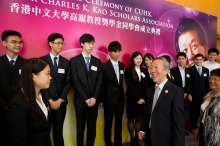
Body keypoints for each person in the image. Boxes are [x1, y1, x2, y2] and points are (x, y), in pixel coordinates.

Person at [138, 56, 185, 146]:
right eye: (151, 68)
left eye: (156, 67)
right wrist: (143, 129)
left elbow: (179, 122)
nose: (152, 71)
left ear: (166, 71)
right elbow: (148, 112)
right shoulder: (151, 90)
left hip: (165, 139)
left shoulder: (176, 91)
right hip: (150, 136)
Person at [4, 58, 52, 146]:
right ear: (32, 76)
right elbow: (18, 140)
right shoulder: (18, 103)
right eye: (47, 74)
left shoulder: (42, 96)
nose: (50, 77)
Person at [70, 33, 102, 146]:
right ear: (82, 44)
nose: (91, 46)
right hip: (80, 100)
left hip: (94, 100)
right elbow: (75, 81)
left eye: (92, 43)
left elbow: (99, 81)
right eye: (88, 43)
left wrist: (94, 97)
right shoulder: (74, 61)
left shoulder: (97, 62)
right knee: (80, 127)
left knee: (92, 127)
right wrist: (85, 98)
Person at [40, 33, 71, 146]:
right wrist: (50, 100)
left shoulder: (65, 62)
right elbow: (40, 84)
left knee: (58, 132)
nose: (60, 46)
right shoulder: (42, 61)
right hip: (45, 103)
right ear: (50, 44)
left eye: (62, 43)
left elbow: (68, 82)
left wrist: (60, 99)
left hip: (60, 104)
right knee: (45, 131)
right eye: (58, 43)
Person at [0, 30, 25, 145]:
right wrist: (4, 105)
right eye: (14, 42)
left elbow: (27, 86)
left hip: (19, 107)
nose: (18, 45)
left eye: (20, 42)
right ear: (4, 43)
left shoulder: (26, 63)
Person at [102, 41, 125, 146]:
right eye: (114, 51)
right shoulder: (104, 66)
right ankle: (108, 143)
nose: (117, 54)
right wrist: (102, 100)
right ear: (109, 52)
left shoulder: (121, 65)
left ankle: (118, 143)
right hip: (108, 98)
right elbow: (102, 84)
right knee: (108, 123)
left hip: (120, 98)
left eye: (118, 51)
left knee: (119, 123)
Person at [125, 52, 148, 146]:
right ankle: (132, 139)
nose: (139, 60)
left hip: (142, 99)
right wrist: (137, 99)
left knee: (139, 119)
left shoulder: (144, 71)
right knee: (131, 119)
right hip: (132, 99)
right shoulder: (128, 70)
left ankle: (137, 139)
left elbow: (146, 85)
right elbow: (130, 86)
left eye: (140, 58)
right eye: (136, 58)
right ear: (133, 59)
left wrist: (143, 98)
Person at [193, 68, 220, 146]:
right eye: (211, 78)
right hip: (203, 128)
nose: (211, 81)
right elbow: (203, 113)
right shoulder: (208, 94)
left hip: (215, 135)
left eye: (215, 79)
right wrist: (198, 128)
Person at [188, 54, 209, 132]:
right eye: (197, 59)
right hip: (193, 94)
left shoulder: (206, 70)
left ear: (203, 60)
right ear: (194, 60)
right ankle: (193, 127)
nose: (198, 61)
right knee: (193, 111)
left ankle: (200, 126)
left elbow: (207, 83)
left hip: (203, 94)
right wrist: (189, 93)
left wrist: (208, 94)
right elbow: (189, 83)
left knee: (202, 110)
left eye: (200, 59)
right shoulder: (190, 69)